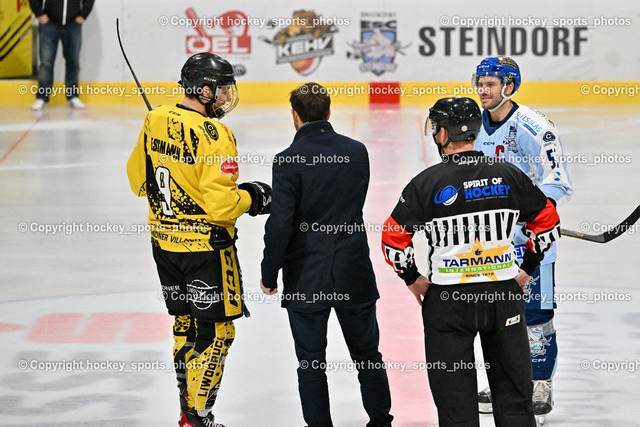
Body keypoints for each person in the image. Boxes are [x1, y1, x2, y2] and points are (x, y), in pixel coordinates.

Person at [381, 97, 561, 427]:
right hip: (503, 297)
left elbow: (393, 238)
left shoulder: (425, 183)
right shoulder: (509, 175)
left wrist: (413, 279)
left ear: (442, 135)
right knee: (516, 404)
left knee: (456, 410)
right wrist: (526, 270)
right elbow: (547, 222)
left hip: (448, 302)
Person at [127, 52, 271, 427]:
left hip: (164, 245)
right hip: (207, 251)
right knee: (218, 332)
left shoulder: (155, 118)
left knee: (185, 326)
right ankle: (199, 415)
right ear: (204, 90)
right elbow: (222, 207)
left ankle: (186, 411)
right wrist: (253, 197)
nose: (226, 97)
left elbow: (138, 183)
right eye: (222, 90)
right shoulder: (217, 135)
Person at [260, 82, 393, 427]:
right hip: (353, 271)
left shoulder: (287, 161)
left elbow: (281, 224)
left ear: (294, 115)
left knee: (311, 362)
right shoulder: (356, 151)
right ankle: (381, 421)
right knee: (368, 357)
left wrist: (269, 272)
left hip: (307, 277)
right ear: (329, 112)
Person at [472, 56, 573, 421]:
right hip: (486, 244)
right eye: (480, 82)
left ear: (510, 87)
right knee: (493, 317)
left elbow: (557, 181)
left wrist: (528, 212)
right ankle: (502, 382)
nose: (483, 90)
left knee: (535, 316)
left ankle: (539, 383)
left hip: (532, 241)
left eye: (491, 84)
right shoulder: (471, 123)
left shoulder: (535, 128)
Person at [29, 0, 94, 110]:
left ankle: (73, 96)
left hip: (73, 25)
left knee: (73, 61)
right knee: (46, 63)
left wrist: (83, 15)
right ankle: (42, 97)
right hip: (49, 24)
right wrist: (39, 13)